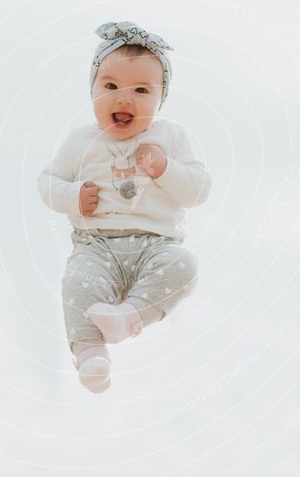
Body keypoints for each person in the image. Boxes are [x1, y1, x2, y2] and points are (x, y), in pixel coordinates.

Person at [37, 20, 211, 393]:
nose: (124, 98)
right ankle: (90, 354)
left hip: (156, 245)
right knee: (77, 283)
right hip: (96, 245)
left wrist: (165, 168)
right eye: (111, 86)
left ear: (160, 98)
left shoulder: (170, 138)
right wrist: (72, 196)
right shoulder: (81, 141)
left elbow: (198, 190)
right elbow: (47, 182)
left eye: (141, 89)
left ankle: (129, 316)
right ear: (93, 89)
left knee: (184, 267)